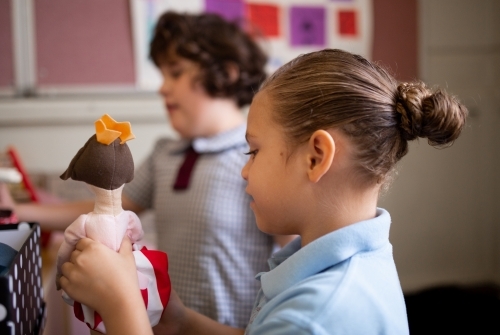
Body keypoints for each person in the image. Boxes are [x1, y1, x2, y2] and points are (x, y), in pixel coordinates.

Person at [58, 48, 468, 334]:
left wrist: (121, 306)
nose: (244, 171)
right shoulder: (349, 262)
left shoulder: (314, 317)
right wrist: (185, 324)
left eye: (254, 151)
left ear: (316, 157)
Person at [0, 11, 294, 328]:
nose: (162, 88)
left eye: (176, 73)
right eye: (161, 74)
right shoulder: (165, 154)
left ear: (226, 73)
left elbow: (287, 256)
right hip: (167, 326)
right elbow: (106, 207)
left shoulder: (254, 159)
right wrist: (18, 210)